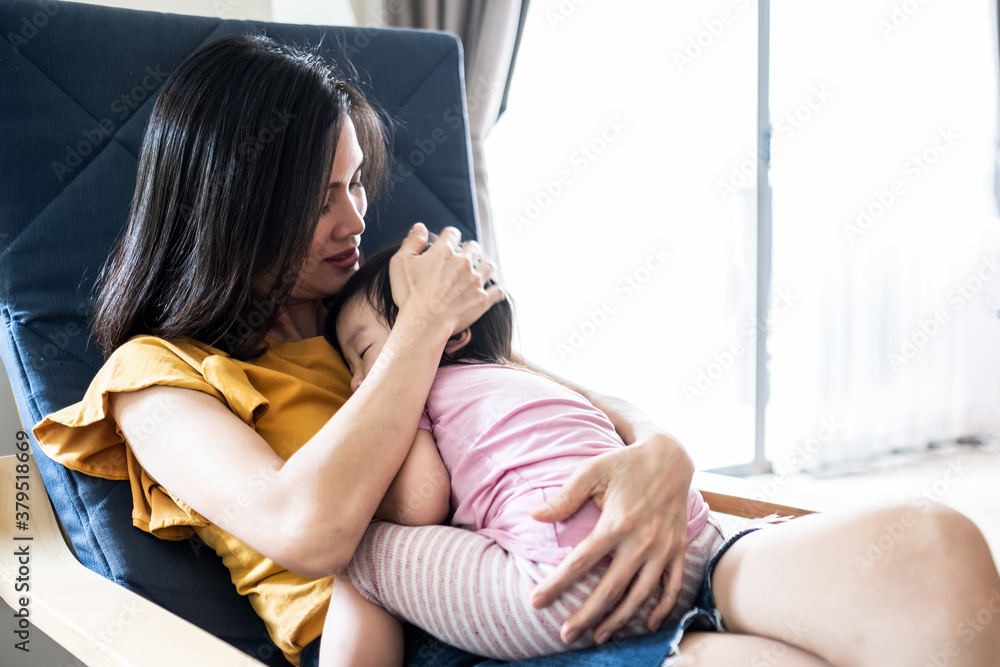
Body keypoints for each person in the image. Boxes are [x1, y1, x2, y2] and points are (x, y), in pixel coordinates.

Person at [30, 33, 1000, 667]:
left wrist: (662, 454)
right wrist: (411, 330)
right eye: (321, 195)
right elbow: (309, 527)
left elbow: (591, 405)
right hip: (473, 628)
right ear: (234, 200)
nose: (356, 216)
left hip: (627, 544)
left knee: (930, 547)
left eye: (358, 182)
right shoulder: (157, 378)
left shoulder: (360, 312)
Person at [322, 243, 746, 664]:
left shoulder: (416, 394)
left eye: (363, 355)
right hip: (685, 551)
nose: (358, 382)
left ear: (451, 335)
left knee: (356, 556)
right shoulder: (527, 379)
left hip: (564, 583)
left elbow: (421, 505)